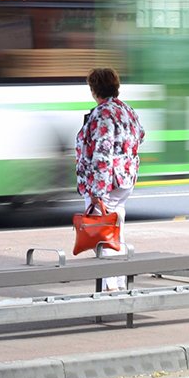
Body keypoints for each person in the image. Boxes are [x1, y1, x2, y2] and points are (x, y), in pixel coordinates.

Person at [75, 67, 145, 290]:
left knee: (104, 233)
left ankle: (110, 288)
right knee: (117, 229)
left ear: (94, 89)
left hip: (106, 184)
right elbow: (140, 134)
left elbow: (102, 155)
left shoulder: (102, 113)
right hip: (124, 180)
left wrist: (97, 193)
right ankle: (120, 283)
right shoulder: (126, 109)